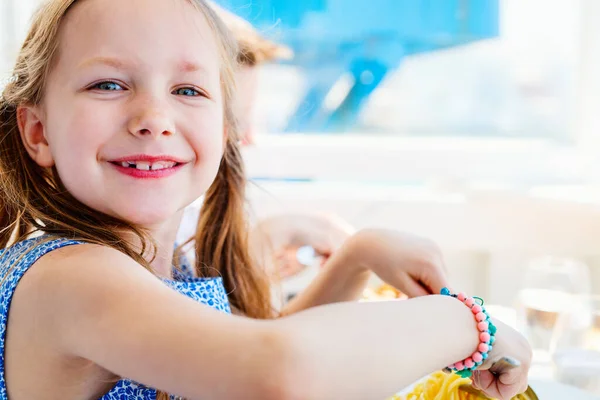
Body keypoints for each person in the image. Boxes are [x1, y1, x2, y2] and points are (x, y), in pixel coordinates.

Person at [0, 0, 532, 399]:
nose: (154, 120)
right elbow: (276, 372)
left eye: (188, 91)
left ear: (227, 127)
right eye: (109, 85)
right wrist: (467, 324)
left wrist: (356, 257)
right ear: (38, 131)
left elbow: (248, 350)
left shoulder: (159, 268)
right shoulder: (72, 278)